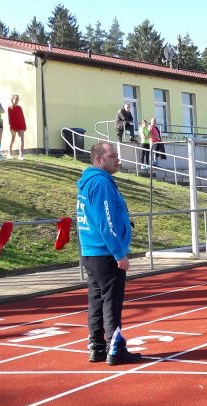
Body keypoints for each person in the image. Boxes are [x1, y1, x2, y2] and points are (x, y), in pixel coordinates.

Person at [76, 142, 141, 366]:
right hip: (105, 253)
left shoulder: (89, 183)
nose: (118, 160)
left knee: (96, 301)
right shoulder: (101, 183)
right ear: (99, 160)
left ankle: (97, 347)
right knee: (111, 303)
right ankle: (115, 349)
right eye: (113, 156)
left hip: (91, 252)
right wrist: (119, 253)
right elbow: (106, 222)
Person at [7, 94, 27, 160]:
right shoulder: (9, 108)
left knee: (22, 139)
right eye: (16, 99)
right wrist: (11, 126)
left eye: (18, 99)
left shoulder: (19, 108)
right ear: (12, 99)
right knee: (12, 139)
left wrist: (24, 125)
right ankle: (9, 154)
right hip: (13, 126)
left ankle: (21, 155)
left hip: (20, 125)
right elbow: (9, 118)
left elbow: (22, 117)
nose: (17, 100)